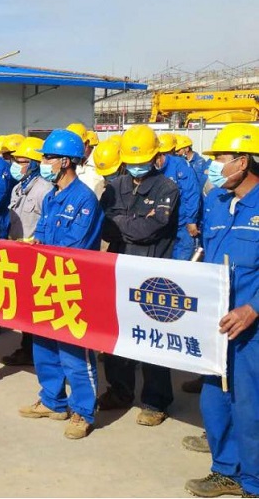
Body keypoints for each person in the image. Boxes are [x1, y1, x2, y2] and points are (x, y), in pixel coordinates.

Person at [184, 123, 259, 498]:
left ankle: (254, 481)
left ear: (243, 162)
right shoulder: (214, 199)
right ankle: (225, 469)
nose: (214, 166)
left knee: (250, 405)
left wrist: (254, 308)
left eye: (221, 158)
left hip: (251, 329)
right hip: (215, 323)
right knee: (214, 399)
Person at [18, 128, 104, 440]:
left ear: (65, 161)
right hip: (46, 280)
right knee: (44, 347)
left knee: (74, 353)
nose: (43, 163)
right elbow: (42, 234)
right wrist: (32, 244)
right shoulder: (52, 197)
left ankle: (83, 411)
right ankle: (53, 402)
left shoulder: (84, 199)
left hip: (72, 284)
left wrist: (44, 248)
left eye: (48, 158)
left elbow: (75, 244)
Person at [98, 125, 180, 427]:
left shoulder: (167, 188)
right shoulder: (115, 186)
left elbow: (152, 229)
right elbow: (105, 227)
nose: (136, 166)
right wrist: (132, 222)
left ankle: (156, 401)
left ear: (155, 157)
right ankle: (119, 390)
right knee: (117, 333)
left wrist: (123, 222)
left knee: (151, 338)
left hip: (152, 270)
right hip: (119, 267)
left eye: (142, 160)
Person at [2, 136, 51, 367]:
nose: (15, 165)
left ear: (32, 164)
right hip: (17, 254)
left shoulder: (44, 190)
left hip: (36, 257)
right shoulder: (18, 187)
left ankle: (38, 352)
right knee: (24, 308)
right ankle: (27, 349)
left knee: (37, 309)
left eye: (20, 161)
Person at [156, 132, 203, 261]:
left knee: (182, 259)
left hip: (182, 223)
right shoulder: (154, 168)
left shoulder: (180, 165)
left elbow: (192, 193)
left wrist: (191, 220)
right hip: (163, 223)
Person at [66, 123, 105, 199]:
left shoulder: (101, 160)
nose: (71, 151)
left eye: (75, 147)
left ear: (86, 144)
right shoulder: (71, 163)